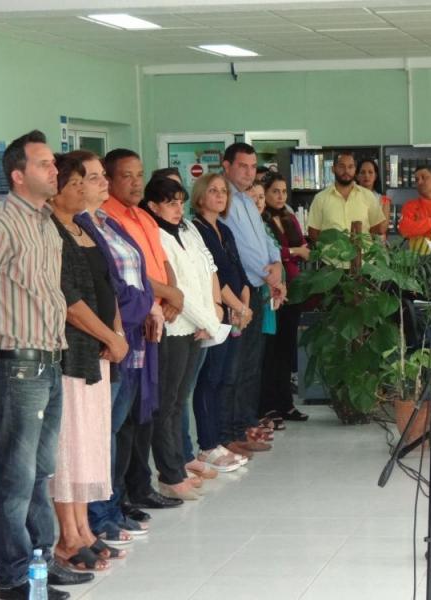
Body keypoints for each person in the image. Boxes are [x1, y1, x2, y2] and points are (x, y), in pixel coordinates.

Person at [0, 130, 77, 600]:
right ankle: (15, 580)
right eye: (44, 165)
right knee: (14, 479)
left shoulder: (45, 224)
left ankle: (42, 565)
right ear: (19, 175)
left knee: (41, 474)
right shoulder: (1, 224)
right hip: (17, 367)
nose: (54, 170)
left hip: (50, 362)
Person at [49, 153, 129, 573]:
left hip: (98, 348)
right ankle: (68, 534)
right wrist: (109, 336)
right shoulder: (50, 231)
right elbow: (69, 299)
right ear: (59, 187)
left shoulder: (81, 226)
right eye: (78, 182)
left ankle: (83, 528)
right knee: (69, 443)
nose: (85, 190)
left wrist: (115, 330)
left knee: (89, 441)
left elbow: (106, 285)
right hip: (73, 350)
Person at [74, 151, 160, 542]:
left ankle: (112, 503)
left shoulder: (106, 221)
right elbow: (106, 286)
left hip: (131, 336)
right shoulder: (78, 228)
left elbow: (138, 272)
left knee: (119, 426)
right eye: (94, 177)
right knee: (100, 433)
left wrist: (149, 306)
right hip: (109, 340)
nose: (102, 184)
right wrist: (136, 310)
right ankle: (98, 513)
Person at [101, 149, 185, 514]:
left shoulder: (139, 216)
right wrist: (166, 294)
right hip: (132, 324)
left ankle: (140, 487)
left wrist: (174, 293)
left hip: (155, 318)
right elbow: (126, 275)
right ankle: (116, 498)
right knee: (123, 419)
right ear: (107, 179)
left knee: (143, 412)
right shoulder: (105, 217)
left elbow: (161, 261)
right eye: (127, 176)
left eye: (139, 174)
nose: (136, 182)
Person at [141, 176, 225, 500]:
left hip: (198, 326)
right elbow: (179, 291)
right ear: (153, 206)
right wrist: (208, 320)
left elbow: (207, 270)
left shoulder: (189, 230)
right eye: (170, 202)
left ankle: (179, 465)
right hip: (176, 329)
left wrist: (214, 313)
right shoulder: (156, 234)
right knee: (168, 403)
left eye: (180, 201)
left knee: (180, 401)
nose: (178, 208)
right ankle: (170, 473)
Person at [220, 143, 284, 454]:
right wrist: (267, 272)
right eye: (242, 166)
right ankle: (231, 431)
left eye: (252, 166)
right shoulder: (225, 201)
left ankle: (246, 424)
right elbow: (239, 251)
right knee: (235, 367)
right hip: (238, 295)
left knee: (251, 366)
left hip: (257, 290)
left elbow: (265, 242)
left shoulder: (247, 201)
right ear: (226, 165)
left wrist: (277, 267)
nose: (249, 172)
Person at [191, 173, 256, 471]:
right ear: (201, 196)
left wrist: (244, 305)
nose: (220, 196)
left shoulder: (224, 230)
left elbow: (237, 270)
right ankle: (208, 443)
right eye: (213, 191)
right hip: (217, 312)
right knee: (211, 379)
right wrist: (237, 306)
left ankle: (219, 439)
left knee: (228, 377)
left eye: (223, 192)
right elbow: (214, 274)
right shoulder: (198, 229)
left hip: (234, 311)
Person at [260, 172, 310, 422]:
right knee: (271, 351)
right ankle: (268, 405)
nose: (280, 196)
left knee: (287, 350)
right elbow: (271, 252)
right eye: (274, 192)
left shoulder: (290, 217)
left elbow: (303, 247)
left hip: (294, 287)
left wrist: (291, 253)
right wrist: (293, 252)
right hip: (273, 289)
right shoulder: (261, 218)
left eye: (283, 191)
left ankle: (286, 403)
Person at [307, 151, 387, 241]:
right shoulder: (320, 198)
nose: (346, 171)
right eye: (341, 166)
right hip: (332, 254)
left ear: (355, 169)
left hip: (363, 254)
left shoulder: (368, 196)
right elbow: (313, 232)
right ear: (333, 169)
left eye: (350, 167)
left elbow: (377, 228)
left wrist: (365, 244)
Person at [356, 158, 391, 237]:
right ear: (357, 176)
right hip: (355, 244)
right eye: (363, 172)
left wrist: (363, 228)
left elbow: (381, 228)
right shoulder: (350, 198)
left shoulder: (384, 200)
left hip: (377, 246)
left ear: (375, 176)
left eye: (370, 172)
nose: (366, 175)